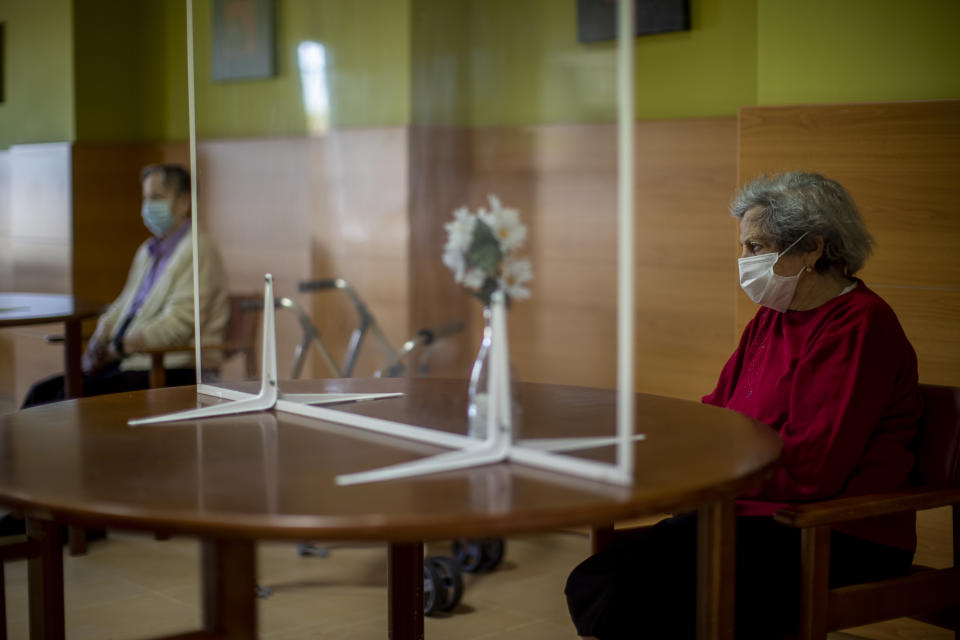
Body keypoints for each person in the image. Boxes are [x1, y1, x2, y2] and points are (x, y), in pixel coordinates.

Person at [565, 172, 924, 639]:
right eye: (744, 247)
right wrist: (670, 451)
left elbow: (812, 469)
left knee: (637, 596)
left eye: (755, 247)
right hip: (752, 514)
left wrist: (710, 470)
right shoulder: (772, 318)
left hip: (834, 532)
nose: (744, 261)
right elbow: (718, 413)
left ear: (812, 248)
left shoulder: (860, 325)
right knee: (594, 582)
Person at [21, 163, 230, 408]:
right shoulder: (148, 251)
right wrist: (102, 335)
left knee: (64, 403)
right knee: (40, 394)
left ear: (184, 202)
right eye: (145, 198)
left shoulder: (198, 250)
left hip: (170, 366)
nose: (148, 206)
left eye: (157, 198)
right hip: (130, 360)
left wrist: (118, 348)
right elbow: (124, 304)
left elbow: (178, 325)